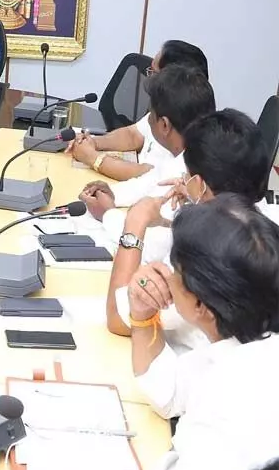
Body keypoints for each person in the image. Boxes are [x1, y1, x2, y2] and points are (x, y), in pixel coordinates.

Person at [125, 194, 279, 470]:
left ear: (200, 305)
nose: (167, 276)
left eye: (175, 270)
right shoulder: (249, 340)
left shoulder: (228, 403)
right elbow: (167, 393)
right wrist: (143, 314)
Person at [105, 109, 277, 352]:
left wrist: (135, 222)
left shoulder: (206, 248)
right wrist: (193, 204)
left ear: (199, 183)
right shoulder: (266, 230)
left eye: (186, 175)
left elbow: (118, 317)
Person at [78, 63, 215, 225]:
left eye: (151, 115)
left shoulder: (191, 176)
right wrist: (111, 193)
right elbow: (149, 183)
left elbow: (151, 239)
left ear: (164, 125)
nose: (148, 120)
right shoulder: (185, 156)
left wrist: (108, 214)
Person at [66, 40, 208, 181]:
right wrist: (93, 143)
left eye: (153, 72)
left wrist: (91, 157)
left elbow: (152, 177)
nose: (147, 77)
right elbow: (133, 135)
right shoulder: (164, 108)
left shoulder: (191, 133)